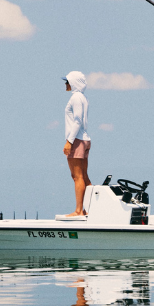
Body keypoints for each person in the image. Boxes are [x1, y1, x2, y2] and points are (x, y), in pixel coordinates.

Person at [63, 71, 91, 216]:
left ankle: (79, 210)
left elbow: (77, 120)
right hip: (85, 139)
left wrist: (69, 141)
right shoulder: (83, 97)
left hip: (77, 140)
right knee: (84, 176)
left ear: (73, 82)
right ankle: (90, 208)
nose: (66, 84)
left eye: (67, 81)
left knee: (77, 176)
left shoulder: (76, 97)